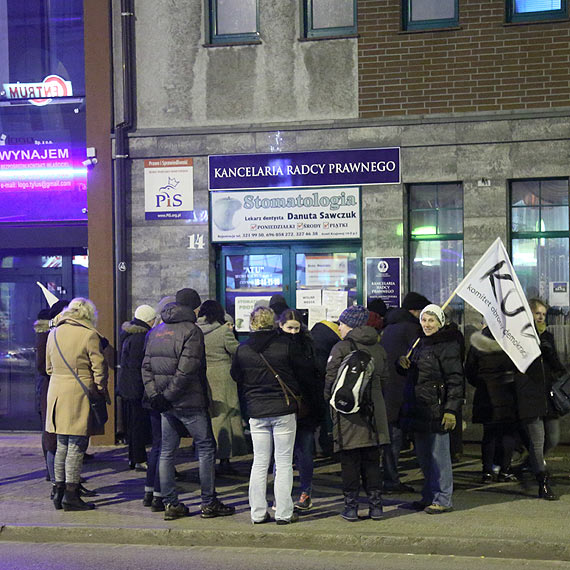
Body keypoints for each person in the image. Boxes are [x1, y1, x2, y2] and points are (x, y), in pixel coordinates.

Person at [142, 288, 235, 520]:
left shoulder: (156, 331)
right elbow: (187, 368)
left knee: (166, 451)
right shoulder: (191, 331)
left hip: (165, 404)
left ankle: (170, 503)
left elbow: (145, 368)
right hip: (189, 401)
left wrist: (157, 396)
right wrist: (168, 396)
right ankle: (208, 502)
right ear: (195, 307)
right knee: (205, 448)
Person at [231, 306, 307, 525]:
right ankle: (284, 512)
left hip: (256, 410)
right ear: (274, 322)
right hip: (283, 409)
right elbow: (300, 373)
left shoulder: (243, 350)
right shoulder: (285, 346)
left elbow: (236, 375)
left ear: (252, 324)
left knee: (260, 462)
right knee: (283, 463)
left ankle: (257, 512)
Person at [324, 305, 390, 522]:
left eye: (341, 324)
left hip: (348, 414)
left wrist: (331, 402)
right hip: (375, 413)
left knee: (350, 462)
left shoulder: (341, 347)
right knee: (372, 461)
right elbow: (385, 380)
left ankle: (351, 507)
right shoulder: (379, 348)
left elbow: (330, 381)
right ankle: (376, 506)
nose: (339, 328)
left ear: (350, 325)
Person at [398, 303, 464, 514]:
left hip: (437, 409)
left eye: (431, 320)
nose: (427, 324)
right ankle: (428, 496)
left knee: (439, 458)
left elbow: (455, 380)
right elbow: (413, 375)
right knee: (424, 457)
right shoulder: (418, 343)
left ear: (440, 322)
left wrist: (451, 410)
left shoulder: (447, 345)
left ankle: (443, 499)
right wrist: (402, 365)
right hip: (419, 408)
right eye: (424, 320)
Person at [45, 298, 109, 511]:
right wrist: (99, 387)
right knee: (77, 444)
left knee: (61, 442)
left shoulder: (53, 332)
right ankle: (71, 495)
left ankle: (58, 489)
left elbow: (48, 367)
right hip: (78, 392)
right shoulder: (89, 334)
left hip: (56, 392)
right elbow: (99, 367)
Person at [379, 291, 430, 494]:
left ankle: (388, 477)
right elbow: (421, 358)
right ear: (414, 311)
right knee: (396, 437)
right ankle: (391, 480)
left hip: (387, 390)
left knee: (390, 437)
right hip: (401, 393)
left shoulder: (389, 327)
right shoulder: (411, 329)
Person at [516, 298, 566, 500]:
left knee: (552, 437)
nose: (541, 317)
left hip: (548, 395)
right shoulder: (520, 337)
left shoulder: (548, 336)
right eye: (538, 313)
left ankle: (528, 464)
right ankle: (542, 482)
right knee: (538, 441)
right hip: (530, 395)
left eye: (543, 314)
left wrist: (549, 351)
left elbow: (557, 367)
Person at [277, 309, 324, 511]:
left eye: (296, 328)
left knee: (302, 452)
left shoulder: (307, 345)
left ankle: (305, 493)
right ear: (281, 326)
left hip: (303, 406)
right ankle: (282, 495)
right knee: (284, 453)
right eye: (290, 328)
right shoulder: (284, 346)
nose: (294, 332)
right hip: (289, 406)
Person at [196, 300, 247, 475]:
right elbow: (236, 350)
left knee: (211, 416)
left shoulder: (196, 330)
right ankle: (225, 457)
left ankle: (209, 456)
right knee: (227, 414)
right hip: (223, 375)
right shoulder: (223, 330)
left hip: (204, 375)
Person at [465, 325, 519, 483]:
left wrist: (482, 383)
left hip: (486, 392)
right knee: (508, 433)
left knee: (489, 434)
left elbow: (469, 370)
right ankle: (504, 470)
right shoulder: (511, 339)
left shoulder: (478, 342)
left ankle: (487, 471)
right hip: (507, 391)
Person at [118, 304, 156, 476]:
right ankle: (139, 458)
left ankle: (133, 457)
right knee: (138, 424)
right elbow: (140, 366)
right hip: (137, 387)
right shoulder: (142, 337)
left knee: (132, 424)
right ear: (149, 320)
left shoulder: (128, 334)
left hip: (127, 386)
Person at [310, 318, 342, 458]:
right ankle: (323, 446)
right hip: (323, 382)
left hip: (311, 382)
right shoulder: (336, 340)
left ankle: (316, 447)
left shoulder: (315, 332)